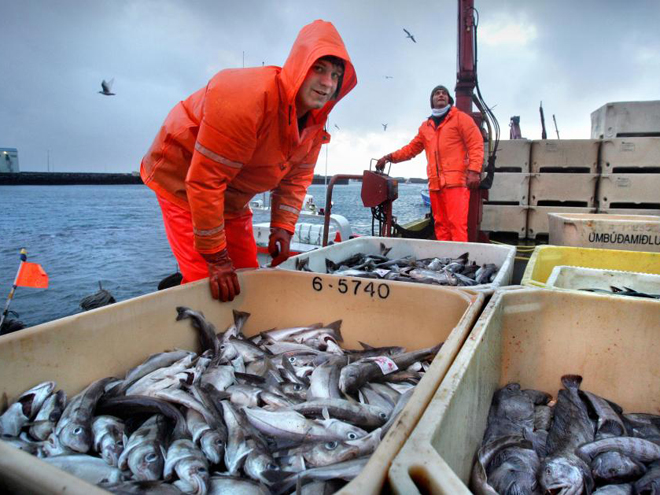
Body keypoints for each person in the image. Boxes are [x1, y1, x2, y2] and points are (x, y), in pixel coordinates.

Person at [141, 20, 356, 302]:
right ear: (299, 66)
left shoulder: (315, 125)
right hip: (182, 179)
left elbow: (295, 178)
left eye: (335, 75)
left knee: (246, 279)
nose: (328, 83)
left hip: (234, 194)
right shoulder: (245, 99)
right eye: (319, 69)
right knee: (207, 286)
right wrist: (216, 258)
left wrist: (283, 226)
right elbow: (204, 182)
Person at [376, 85, 483, 242]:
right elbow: (410, 149)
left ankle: (460, 263)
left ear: (449, 99)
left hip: (456, 183)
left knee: (457, 224)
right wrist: (389, 157)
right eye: (437, 93)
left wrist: (474, 171)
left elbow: (476, 143)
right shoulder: (425, 127)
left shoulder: (461, 119)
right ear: (431, 101)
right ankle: (445, 261)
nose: (441, 95)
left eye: (444, 93)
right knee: (440, 225)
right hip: (435, 184)